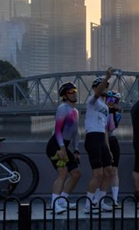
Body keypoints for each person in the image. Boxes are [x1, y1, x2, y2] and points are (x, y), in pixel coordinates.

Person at [47, 81, 82, 214]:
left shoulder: (75, 111)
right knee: (63, 172)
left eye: (75, 92)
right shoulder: (62, 108)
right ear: (65, 95)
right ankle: (54, 205)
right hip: (55, 144)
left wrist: (76, 149)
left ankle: (62, 200)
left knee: (76, 174)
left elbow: (76, 132)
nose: (73, 94)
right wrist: (61, 148)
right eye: (70, 92)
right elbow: (57, 130)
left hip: (65, 146)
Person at [83, 69, 115, 213]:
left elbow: (106, 130)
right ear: (96, 87)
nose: (106, 87)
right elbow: (97, 93)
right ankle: (88, 205)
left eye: (107, 85)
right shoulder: (92, 100)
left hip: (102, 138)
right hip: (92, 138)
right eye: (103, 85)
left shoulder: (105, 107)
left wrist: (108, 149)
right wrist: (107, 76)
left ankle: (100, 201)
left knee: (108, 172)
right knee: (98, 174)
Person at [103, 90, 123, 208]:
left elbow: (111, 128)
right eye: (109, 100)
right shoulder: (102, 112)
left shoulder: (116, 114)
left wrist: (114, 111)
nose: (111, 102)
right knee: (104, 172)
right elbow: (105, 130)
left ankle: (115, 200)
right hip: (104, 143)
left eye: (114, 100)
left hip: (113, 141)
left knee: (114, 171)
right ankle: (99, 198)